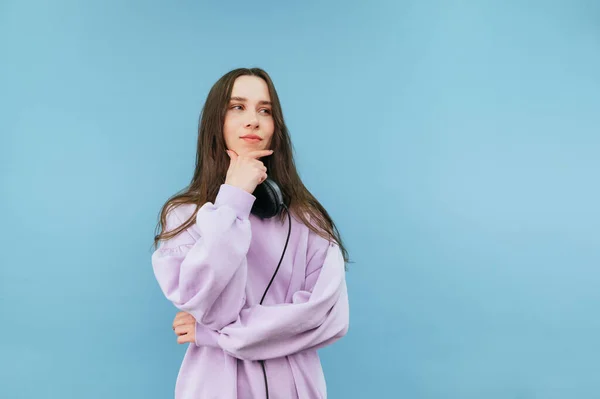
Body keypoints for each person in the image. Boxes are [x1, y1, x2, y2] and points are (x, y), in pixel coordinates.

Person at [151, 67, 350, 399]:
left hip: (296, 387)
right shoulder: (183, 214)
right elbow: (212, 307)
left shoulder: (308, 219)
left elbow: (326, 317)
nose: (253, 120)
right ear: (217, 121)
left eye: (265, 110)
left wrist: (214, 335)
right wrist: (233, 198)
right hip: (216, 386)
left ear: (276, 127)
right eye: (237, 107)